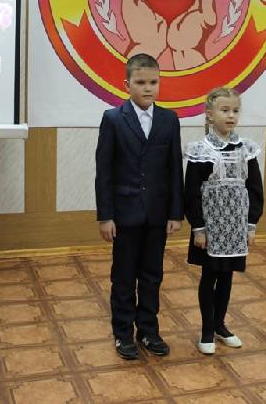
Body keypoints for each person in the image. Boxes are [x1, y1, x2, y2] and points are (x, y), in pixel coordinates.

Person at [95, 53, 184, 360]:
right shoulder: (113, 119)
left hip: (157, 215)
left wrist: (176, 212)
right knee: (123, 277)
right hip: (124, 214)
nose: (148, 88)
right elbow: (104, 172)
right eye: (141, 82)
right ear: (127, 84)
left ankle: (148, 330)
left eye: (153, 82)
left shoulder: (169, 120)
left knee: (151, 275)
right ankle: (122, 333)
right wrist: (105, 216)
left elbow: (174, 169)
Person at [184, 87, 263, 355]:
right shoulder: (200, 151)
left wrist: (250, 225)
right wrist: (198, 228)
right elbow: (191, 193)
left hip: (235, 228)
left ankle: (220, 325)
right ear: (209, 114)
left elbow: (255, 189)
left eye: (235, 111)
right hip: (210, 228)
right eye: (225, 110)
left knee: (227, 276)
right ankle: (207, 330)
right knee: (210, 276)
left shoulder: (246, 149)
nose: (231, 116)